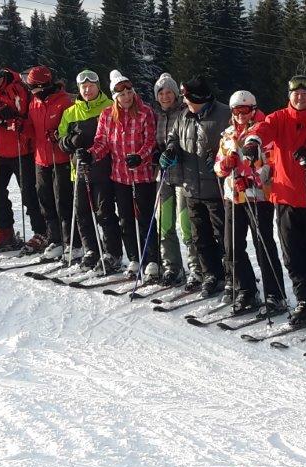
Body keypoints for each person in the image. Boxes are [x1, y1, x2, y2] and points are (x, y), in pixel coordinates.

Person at [242, 75, 306, 330]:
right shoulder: (279, 118)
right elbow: (261, 130)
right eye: (296, 93)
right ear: (289, 95)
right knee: (293, 254)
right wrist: (252, 142)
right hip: (285, 198)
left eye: (305, 93)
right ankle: (304, 300)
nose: (300, 97)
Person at [215, 90, 288, 314]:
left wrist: (251, 179)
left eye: (244, 110)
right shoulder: (228, 134)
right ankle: (246, 290)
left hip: (258, 197)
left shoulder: (263, 132)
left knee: (262, 244)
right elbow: (218, 166)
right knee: (232, 246)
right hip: (233, 197)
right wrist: (225, 165)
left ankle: (275, 294)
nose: (240, 115)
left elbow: (271, 168)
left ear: (253, 109)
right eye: (236, 110)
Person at [80, 70, 158, 276]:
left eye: (129, 92)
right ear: (115, 96)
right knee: (125, 219)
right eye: (121, 94)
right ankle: (134, 257)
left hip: (142, 176)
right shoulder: (107, 114)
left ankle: (152, 259)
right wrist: (90, 154)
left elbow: (151, 141)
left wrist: (140, 157)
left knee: (145, 218)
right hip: (120, 177)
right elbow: (102, 142)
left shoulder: (145, 112)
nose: (126, 97)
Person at [162, 77, 230, 298]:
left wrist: (219, 156)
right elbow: (173, 136)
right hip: (191, 186)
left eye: (187, 97)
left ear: (198, 98)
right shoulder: (185, 115)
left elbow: (234, 142)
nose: (183, 100)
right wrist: (171, 150)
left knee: (223, 237)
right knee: (200, 237)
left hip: (217, 189)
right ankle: (211, 274)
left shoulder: (224, 114)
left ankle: (231, 275)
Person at [0, 60, 44, 252]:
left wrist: (11, 116)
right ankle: (5, 230)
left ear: (1, 76)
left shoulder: (18, 88)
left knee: (29, 194)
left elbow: (31, 116)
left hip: (23, 150)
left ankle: (41, 231)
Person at [57, 70, 118, 273]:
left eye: (91, 86)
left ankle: (112, 252)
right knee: (82, 213)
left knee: (104, 212)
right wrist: (70, 141)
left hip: (103, 169)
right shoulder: (71, 112)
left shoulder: (109, 107)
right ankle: (91, 249)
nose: (87, 90)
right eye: (83, 87)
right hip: (79, 171)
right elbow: (60, 139)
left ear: (98, 86)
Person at [151, 73, 200, 286]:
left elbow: (189, 142)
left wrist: (175, 153)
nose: (165, 96)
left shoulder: (185, 113)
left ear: (175, 94)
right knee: (164, 224)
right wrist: (155, 154)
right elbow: (155, 144)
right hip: (164, 178)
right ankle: (172, 266)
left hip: (183, 177)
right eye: (161, 93)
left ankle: (196, 267)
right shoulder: (157, 116)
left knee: (187, 225)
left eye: (169, 92)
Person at [24, 65, 77, 261]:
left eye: (33, 87)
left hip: (60, 159)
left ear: (43, 85)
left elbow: (72, 129)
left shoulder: (64, 102)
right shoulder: (34, 103)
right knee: (45, 201)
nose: (31, 91)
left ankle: (70, 240)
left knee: (62, 201)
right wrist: (21, 127)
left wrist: (59, 136)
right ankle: (55, 239)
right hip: (41, 159)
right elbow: (32, 129)